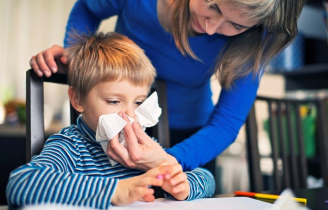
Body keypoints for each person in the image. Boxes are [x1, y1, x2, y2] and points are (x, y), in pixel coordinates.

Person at [29, 0, 306, 175]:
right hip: (113, 128)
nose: (212, 28)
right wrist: (77, 55)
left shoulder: (259, 35)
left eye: (235, 25)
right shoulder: (68, 150)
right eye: (213, 6)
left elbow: (226, 123)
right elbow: (88, 8)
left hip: (192, 139)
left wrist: (165, 162)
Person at [7, 32, 215, 209]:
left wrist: (183, 186)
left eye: (138, 102)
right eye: (114, 101)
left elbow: (207, 179)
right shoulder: (71, 146)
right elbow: (22, 183)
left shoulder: (142, 147)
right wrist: (115, 191)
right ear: (78, 99)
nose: (131, 116)